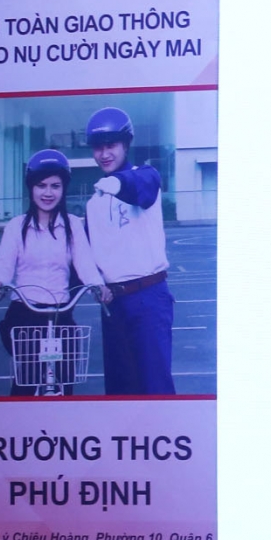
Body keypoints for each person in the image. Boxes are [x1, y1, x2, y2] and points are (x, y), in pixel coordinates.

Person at [0, 148, 106, 396]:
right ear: (31, 188)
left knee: (65, 380)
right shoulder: (16, 226)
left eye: (55, 186)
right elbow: (5, 263)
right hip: (25, 312)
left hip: (60, 311)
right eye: (41, 186)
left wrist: (98, 285)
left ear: (63, 189)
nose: (48, 193)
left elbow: (84, 262)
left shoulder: (73, 225)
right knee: (26, 382)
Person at [78, 107, 176, 396]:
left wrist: (114, 182)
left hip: (148, 298)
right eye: (98, 147)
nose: (104, 154)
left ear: (126, 144)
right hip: (113, 304)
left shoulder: (145, 176)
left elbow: (139, 188)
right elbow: (86, 255)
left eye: (111, 145)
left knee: (155, 388)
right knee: (120, 392)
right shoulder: (93, 203)